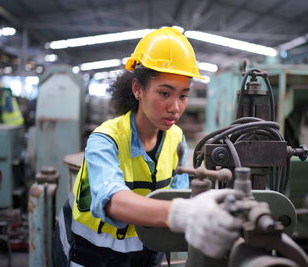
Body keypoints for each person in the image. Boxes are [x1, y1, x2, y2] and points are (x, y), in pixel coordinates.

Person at [53, 27, 243, 267]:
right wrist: (185, 214)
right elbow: (113, 201)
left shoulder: (176, 138)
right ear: (137, 89)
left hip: (146, 255)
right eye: (164, 93)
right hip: (89, 254)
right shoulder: (105, 139)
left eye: (183, 96)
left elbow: (178, 194)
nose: (175, 107)